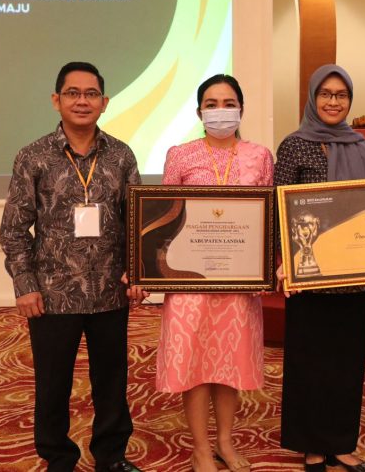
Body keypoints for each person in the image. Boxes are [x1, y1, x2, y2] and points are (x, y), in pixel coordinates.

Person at [0, 62, 142, 472]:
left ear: (105, 102)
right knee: (53, 382)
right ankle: (58, 458)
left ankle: (111, 457)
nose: (82, 101)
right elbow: (13, 229)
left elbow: (137, 223)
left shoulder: (121, 155)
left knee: (111, 380)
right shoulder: (33, 157)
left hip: (109, 291)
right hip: (52, 293)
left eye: (91, 93)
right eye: (73, 93)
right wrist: (25, 284)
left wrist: (138, 272)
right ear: (56, 100)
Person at [128, 74, 272, 472]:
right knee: (195, 364)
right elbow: (165, 215)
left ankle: (225, 441)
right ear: (198, 112)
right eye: (212, 104)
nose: (220, 110)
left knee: (229, 363)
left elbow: (267, 219)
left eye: (228, 103)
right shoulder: (180, 155)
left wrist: (267, 266)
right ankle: (201, 449)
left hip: (238, 280)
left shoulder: (260, 156)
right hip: (188, 279)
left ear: (241, 109)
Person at [275, 64, 365, 472]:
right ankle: (312, 445)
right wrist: (284, 261)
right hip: (310, 274)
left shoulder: (363, 147)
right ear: (313, 97)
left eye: (341, 95)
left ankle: (341, 443)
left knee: (347, 363)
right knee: (309, 360)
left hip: (353, 275)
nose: (333, 102)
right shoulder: (295, 145)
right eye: (326, 94)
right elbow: (280, 204)